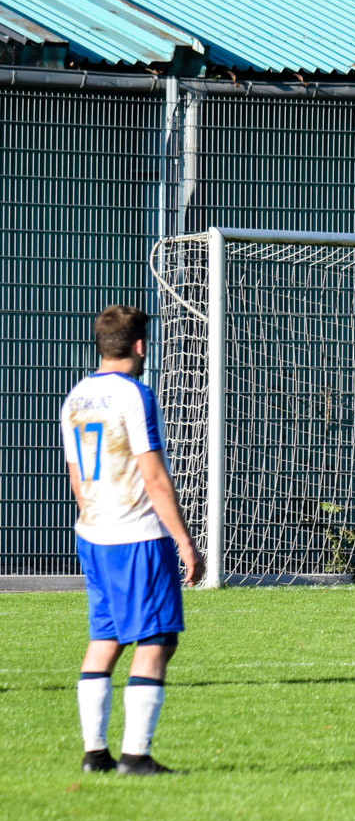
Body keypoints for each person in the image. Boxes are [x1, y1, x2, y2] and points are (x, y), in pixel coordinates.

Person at [61, 305, 198, 776]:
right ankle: (136, 756)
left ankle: (94, 754)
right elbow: (154, 477)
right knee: (156, 639)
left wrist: (98, 520)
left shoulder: (76, 397)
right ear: (140, 346)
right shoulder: (136, 395)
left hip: (94, 534)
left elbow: (76, 477)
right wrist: (183, 540)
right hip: (137, 535)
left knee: (105, 637)